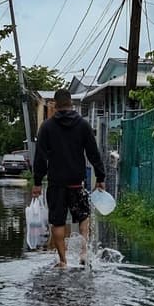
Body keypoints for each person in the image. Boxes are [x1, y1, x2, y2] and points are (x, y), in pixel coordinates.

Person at [32, 89, 105, 268]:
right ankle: (83, 252)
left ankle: (63, 261)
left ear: (55, 105)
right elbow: (93, 153)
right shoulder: (83, 125)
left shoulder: (47, 127)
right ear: (71, 103)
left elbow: (40, 157)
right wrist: (100, 176)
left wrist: (37, 182)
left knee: (57, 221)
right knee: (83, 216)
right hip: (76, 181)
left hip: (56, 182)